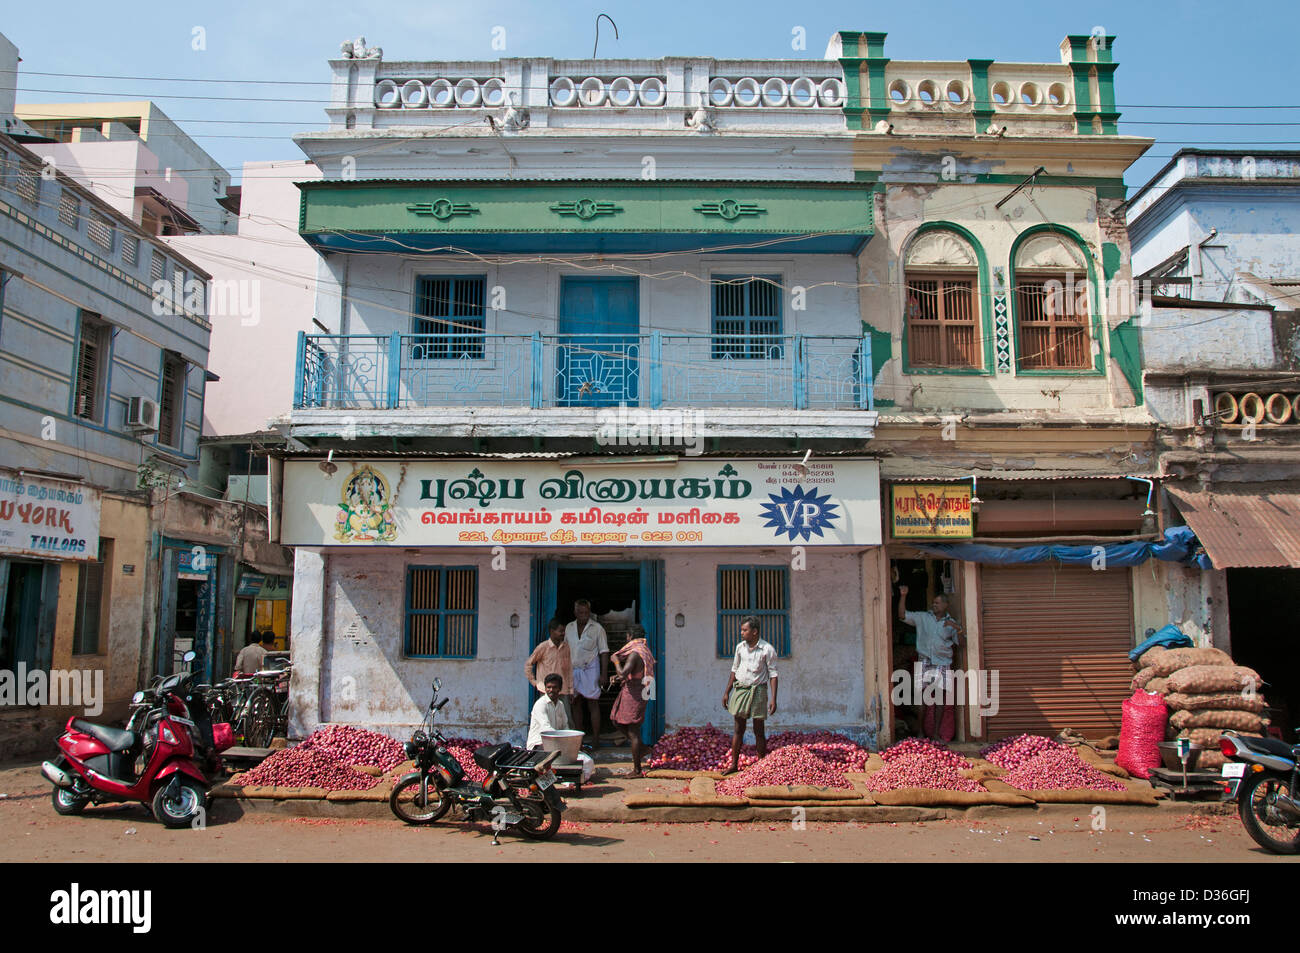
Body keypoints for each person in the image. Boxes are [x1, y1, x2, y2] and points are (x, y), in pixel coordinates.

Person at [897, 585, 964, 743]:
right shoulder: (923, 617)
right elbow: (902, 615)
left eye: (938, 603)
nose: (934, 605)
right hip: (925, 660)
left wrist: (958, 630)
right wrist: (903, 595)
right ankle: (921, 732)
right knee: (922, 698)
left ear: (946, 605)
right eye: (933, 602)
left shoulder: (951, 623)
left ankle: (935, 733)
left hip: (943, 663)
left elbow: (962, 644)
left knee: (940, 699)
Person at [722, 616, 778, 775]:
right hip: (741, 689)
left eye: (745, 630)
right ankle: (734, 765)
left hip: (758, 691)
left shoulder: (767, 649)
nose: (742, 633)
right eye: (741, 630)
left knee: (758, 730)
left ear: (755, 632)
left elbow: (773, 675)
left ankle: (761, 767)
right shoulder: (740, 648)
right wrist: (727, 692)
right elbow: (734, 670)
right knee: (738, 728)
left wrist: (774, 698)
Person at [610, 626, 656, 778]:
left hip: (635, 693)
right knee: (617, 720)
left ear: (629, 636)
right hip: (639, 690)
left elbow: (623, 673)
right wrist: (617, 678)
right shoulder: (644, 650)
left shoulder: (635, 653)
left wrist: (616, 661)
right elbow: (634, 673)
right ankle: (641, 748)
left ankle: (637, 770)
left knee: (633, 730)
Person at [566, 599, 610, 750]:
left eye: (586, 612)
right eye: (580, 612)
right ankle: (579, 738)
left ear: (589, 612)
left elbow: (604, 652)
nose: (583, 615)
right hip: (573, 668)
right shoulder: (569, 627)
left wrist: (604, 675)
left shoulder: (597, 628)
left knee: (593, 703)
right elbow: (564, 651)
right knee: (575, 703)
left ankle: (596, 738)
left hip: (591, 668)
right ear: (575, 612)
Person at [524, 618, 574, 725]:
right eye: (560, 631)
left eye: (564, 631)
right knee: (547, 721)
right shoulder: (543, 647)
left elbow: (569, 669)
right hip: (547, 691)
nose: (563, 633)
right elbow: (528, 664)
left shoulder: (566, 647)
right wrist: (536, 683)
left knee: (567, 721)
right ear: (552, 631)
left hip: (563, 690)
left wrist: (570, 690)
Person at [527, 673, 568, 749]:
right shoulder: (541, 704)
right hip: (538, 744)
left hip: (555, 743)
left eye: (555, 687)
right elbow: (546, 728)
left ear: (560, 688)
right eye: (548, 687)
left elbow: (565, 726)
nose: (551, 690)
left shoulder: (560, 705)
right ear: (545, 688)